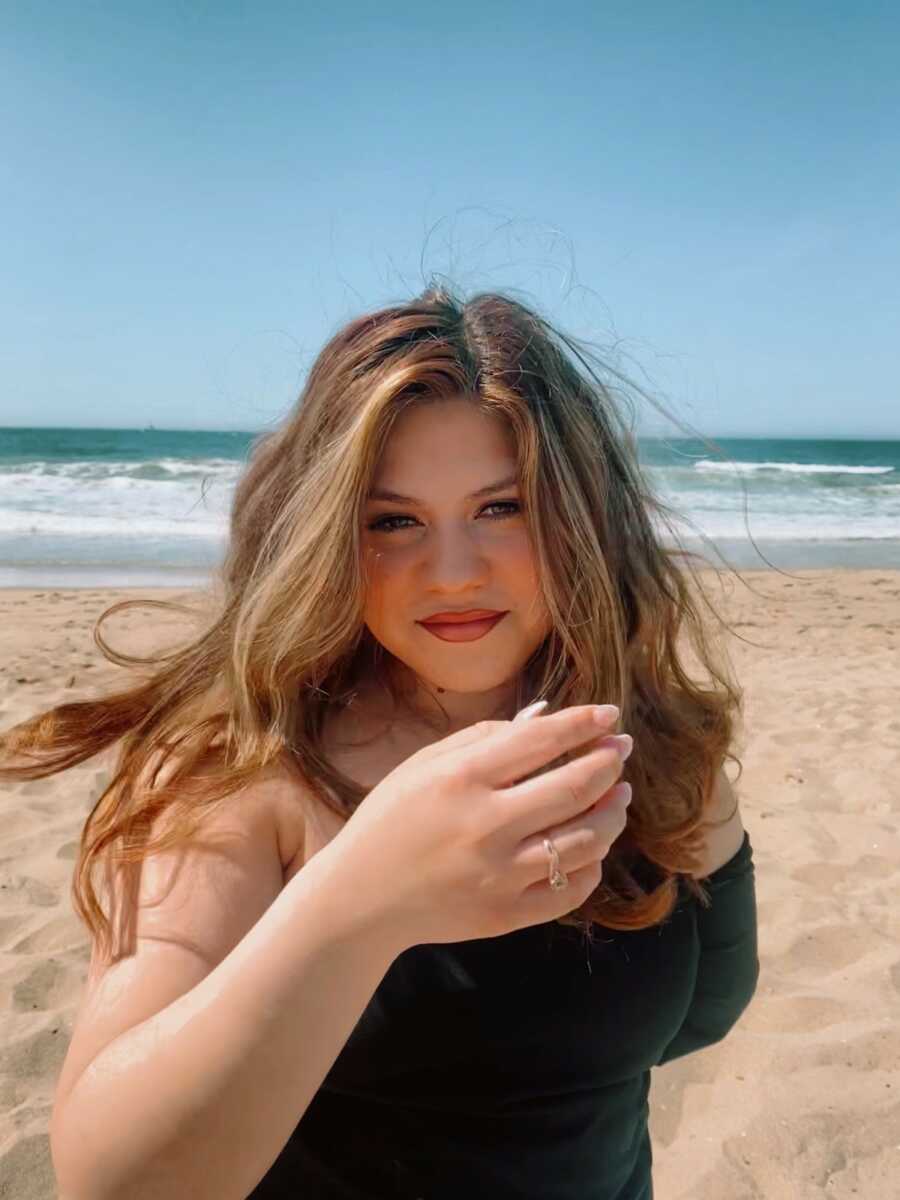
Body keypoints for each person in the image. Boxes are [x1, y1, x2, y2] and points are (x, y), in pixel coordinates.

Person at [2, 285, 758, 1199]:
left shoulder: (662, 739)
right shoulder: (241, 768)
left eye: (503, 508)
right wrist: (361, 901)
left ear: (583, 514)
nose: (452, 573)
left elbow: (705, 1011)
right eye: (392, 521)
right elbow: (109, 1179)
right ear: (324, 533)